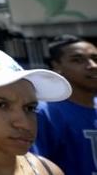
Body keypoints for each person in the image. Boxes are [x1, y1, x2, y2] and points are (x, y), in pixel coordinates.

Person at [32, 35, 97, 175]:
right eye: (77, 60)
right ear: (56, 66)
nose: (92, 65)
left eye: (95, 59)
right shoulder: (44, 113)